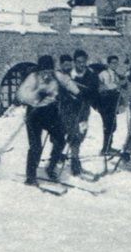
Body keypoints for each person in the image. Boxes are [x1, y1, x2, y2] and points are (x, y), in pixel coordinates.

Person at [15, 54, 80, 186]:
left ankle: (51, 167)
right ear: (40, 70)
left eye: (49, 70)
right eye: (44, 70)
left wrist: (78, 93)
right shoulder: (33, 77)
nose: (47, 73)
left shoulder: (56, 76)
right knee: (35, 146)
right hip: (34, 114)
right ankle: (31, 176)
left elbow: (68, 83)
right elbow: (22, 94)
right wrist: (37, 94)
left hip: (50, 113)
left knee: (61, 139)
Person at [67, 49, 100, 174]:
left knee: (81, 131)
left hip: (84, 108)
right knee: (71, 132)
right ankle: (73, 159)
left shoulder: (91, 75)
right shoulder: (69, 74)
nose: (82, 64)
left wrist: (89, 93)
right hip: (69, 108)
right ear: (75, 62)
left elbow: (95, 91)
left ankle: (74, 156)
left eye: (84, 62)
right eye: (79, 62)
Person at [97, 55, 126, 155]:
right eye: (113, 63)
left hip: (113, 102)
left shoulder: (116, 74)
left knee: (113, 125)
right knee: (108, 125)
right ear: (108, 64)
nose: (115, 65)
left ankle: (109, 146)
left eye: (116, 63)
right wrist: (117, 85)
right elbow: (102, 88)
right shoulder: (104, 74)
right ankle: (105, 148)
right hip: (105, 102)